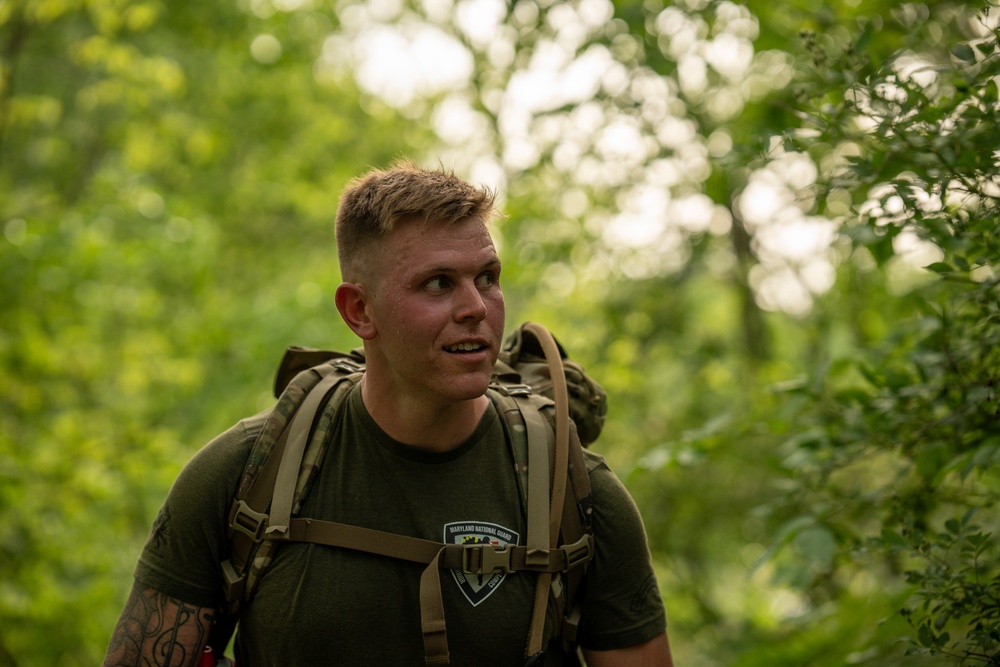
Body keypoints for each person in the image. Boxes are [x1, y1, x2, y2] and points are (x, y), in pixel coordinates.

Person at [102, 162, 674, 666]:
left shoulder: (575, 495)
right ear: (359, 310)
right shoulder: (243, 477)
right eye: (437, 284)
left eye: (487, 278)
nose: (476, 308)